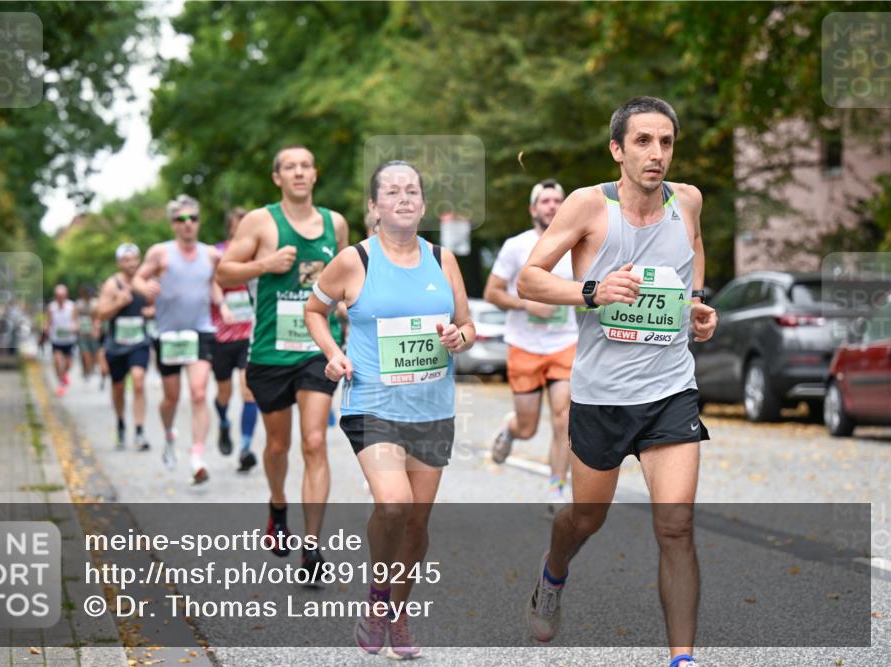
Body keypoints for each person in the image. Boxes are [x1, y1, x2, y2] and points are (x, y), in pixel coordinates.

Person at [517, 97, 718, 667]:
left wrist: (697, 304)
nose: (657, 154)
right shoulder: (587, 206)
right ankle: (553, 574)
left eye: (666, 142)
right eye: (643, 142)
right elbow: (532, 278)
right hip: (602, 396)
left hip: (670, 391)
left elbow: (694, 250)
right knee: (587, 518)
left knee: (676, 525)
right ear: (617, 149)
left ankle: (683, 658)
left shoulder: (689, 201)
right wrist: (592, 291)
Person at [305, 160, 475, 658]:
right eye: (392, 192)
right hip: (372, 403)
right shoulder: (354, 260)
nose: (404, 198)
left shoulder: (442, 259)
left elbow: (466, 327)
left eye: (412, 191)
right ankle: (377, 599)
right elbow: (314, 311)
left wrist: (456, 337)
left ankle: (398, 611)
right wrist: (333, 354)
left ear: (422, 203)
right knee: (394, 504)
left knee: (417, 524)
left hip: (432, 405)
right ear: (374, 207)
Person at [217, 145, 348, 576]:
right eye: (289, 167)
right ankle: (278, 505)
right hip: (271, 350)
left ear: (315, 174)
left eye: (305, 165)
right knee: (278, 445)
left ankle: (312, 547)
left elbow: (346, 281)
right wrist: (265, 263)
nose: (298, 172)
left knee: (314, 440)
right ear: (277, 178)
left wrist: (347, 307)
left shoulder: (335, 224)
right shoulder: (260, 221)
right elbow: (223, 272)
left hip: (317, 348)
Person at [484, 179, 577, 508]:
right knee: (528, 427)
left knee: (564, 417)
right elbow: (491, 292)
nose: (552, 205)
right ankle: (510, 431)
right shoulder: (516, 246)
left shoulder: (575, 245)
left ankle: (557, 487)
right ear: (533, 209)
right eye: (545, 201)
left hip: (565, 343)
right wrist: (527, 304)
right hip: (524, 344)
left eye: (557, 200)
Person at [134, 194, 223, 485]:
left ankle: (197, 457)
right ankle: (170, 434)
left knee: (199, 393)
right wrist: (145, 286)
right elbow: (137, 278)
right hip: (168, 334)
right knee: (171, 398)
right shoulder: (160, 252)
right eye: (181, 219)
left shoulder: (210, 254)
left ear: (198, 222)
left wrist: (221, 304)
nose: (187, 224)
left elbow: (216, 281)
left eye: (192, 219)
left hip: (200, 329)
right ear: (173, 224)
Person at [211, 207, 260, 472]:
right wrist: (222, 306)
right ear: (230, 227)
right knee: (223, 393)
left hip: (249, 333)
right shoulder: (219, 252)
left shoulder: (260, 254)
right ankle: (224, 423)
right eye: (237, 225)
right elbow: (214, 283)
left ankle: (245, 447)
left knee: (248, 388)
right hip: (222, 335)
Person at [96, 243, 154, 451]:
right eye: (126, 260)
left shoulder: (145, 283)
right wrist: (118, 303)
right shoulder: (112, 285)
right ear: (119, 263)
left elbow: (159, 305)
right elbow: (101, 313)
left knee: (139, 381)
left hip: (139, 341)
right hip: (117, 345)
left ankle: (139, 430)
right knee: (118, 387)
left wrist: (152, 310)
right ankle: (121, 423)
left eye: (134, 259)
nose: (131, 263)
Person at [44, 285, 78, 395]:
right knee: (57, 360)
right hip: (56, 339)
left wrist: (74, 327)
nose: (60, 298)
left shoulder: (71, 306)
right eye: (58, 296)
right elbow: (48, 321)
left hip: (69, 339)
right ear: (55, 296)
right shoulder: (51, 307)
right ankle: (61, 382)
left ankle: (64, 376)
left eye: (62, 296)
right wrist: (46, 328)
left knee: (68, 364)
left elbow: (76, 321)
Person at [77, 284, 100, 381]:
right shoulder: (79, 304)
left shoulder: (95, 304)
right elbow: (75, 317)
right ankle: (86, 370)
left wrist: (96, 329)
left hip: (92, 333)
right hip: (82, 333)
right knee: (84, 353)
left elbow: (98, 318)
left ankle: (90, 368)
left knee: (94, 353)